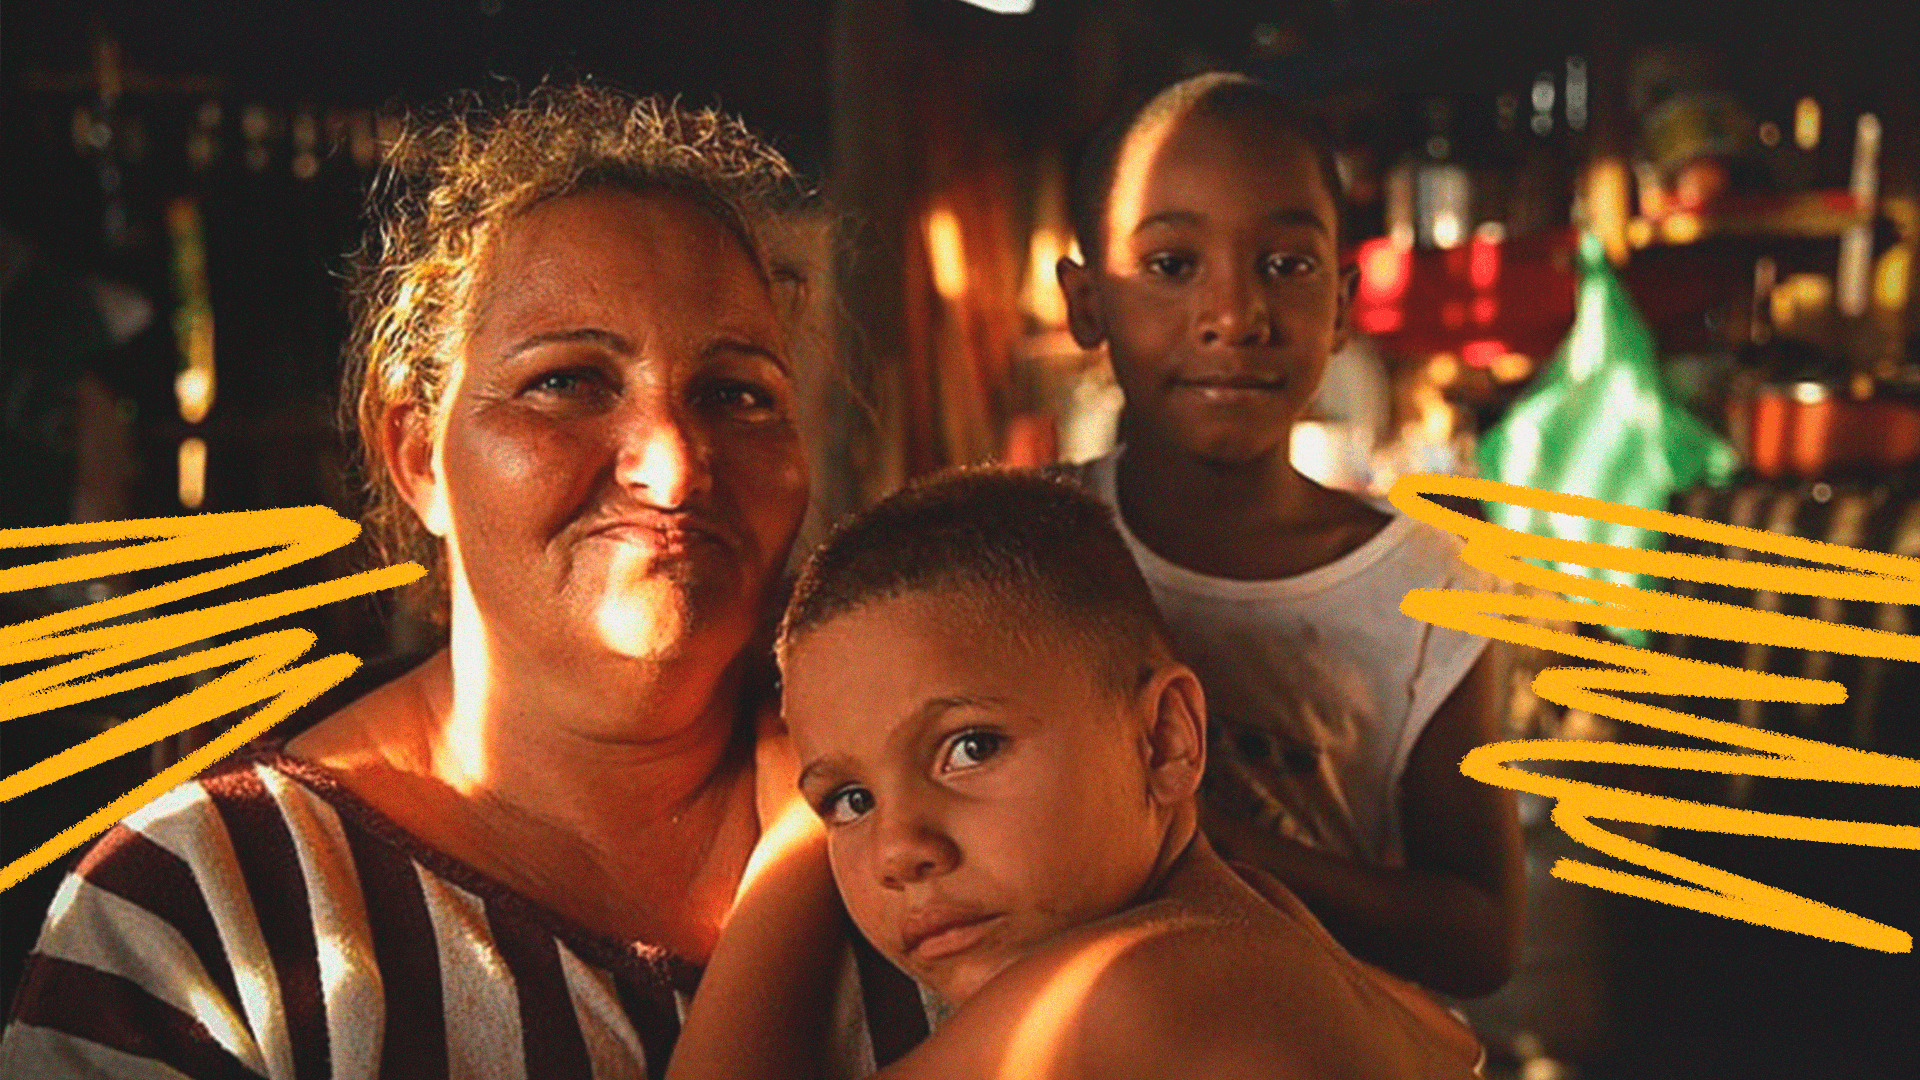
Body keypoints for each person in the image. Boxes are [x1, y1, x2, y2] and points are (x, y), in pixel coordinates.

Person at [1, 85, 923, 1078]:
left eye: (738, 393)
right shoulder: (204, 910)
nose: (675, 464)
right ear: (418, 459)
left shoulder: (959, 807)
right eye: (567, 381)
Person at [664, 469, 1484, 1080]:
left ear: (1164, 741)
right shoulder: (1275, 935)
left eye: (970, 747)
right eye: (850, 800)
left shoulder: (1144, 990)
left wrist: (794, 843)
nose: (899, 850)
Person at [1051, 72, 1524, 998]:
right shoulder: (1029, 547)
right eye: (1172, 265)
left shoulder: (1426, 587)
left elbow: (1481, 941)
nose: (1237, 317)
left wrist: (1217, 848)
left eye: (1287, 265)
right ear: (1086, 303)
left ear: (1344, 304)